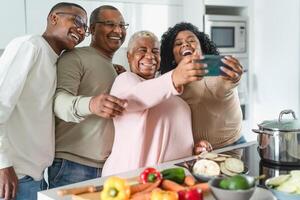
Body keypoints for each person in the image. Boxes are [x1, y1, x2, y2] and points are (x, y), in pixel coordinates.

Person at [0, 2, 87, 200]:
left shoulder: (54, 59)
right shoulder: (30, 46)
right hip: (13, 177)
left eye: (85, 28)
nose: (81, 30)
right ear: (53, 18)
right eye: (78, 21)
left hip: (34, 177)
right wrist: (2, 164)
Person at [102, 30, 212, 176]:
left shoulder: (171, 91)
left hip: (175, 178)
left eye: (155, 51)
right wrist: (174, 78)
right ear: (129, 56)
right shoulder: (125, 80)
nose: (150, 56)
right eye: (142, 50)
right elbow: (136, 98)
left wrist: (194, 148)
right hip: (132, 179)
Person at [47, 5, 128, 188]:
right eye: (109, 24)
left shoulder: (112, 67)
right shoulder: (74, 57)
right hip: (73, 166)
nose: (118, 30)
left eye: (122, 25)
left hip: (108, 167)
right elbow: (58, 101)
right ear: (92, 29)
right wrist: (91, 104)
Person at [160, 22, 245, 150]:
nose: (185, 44)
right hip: (197, 150)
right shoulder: (169, 79)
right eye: (178, 43)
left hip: (233, 146)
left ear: (202, 49)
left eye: (191, 40)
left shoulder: (216, 71)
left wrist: (235, 74)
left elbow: (229, 80)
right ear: (172, 57)